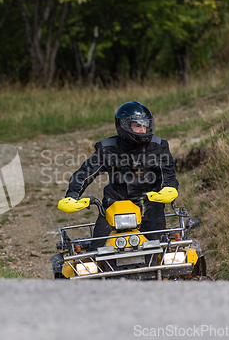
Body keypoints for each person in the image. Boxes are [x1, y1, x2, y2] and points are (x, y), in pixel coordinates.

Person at [58, 101, 179, 250]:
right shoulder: (108, 148)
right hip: (114, 205)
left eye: (145, 125)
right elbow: (85, 172)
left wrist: (169, 188)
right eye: (138, 125)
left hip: (149, 204)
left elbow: (168, 175)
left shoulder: (159, 147)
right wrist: (72, 194)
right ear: (124, 125)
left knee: (160, 248)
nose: (143, 130)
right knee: (97, 250)